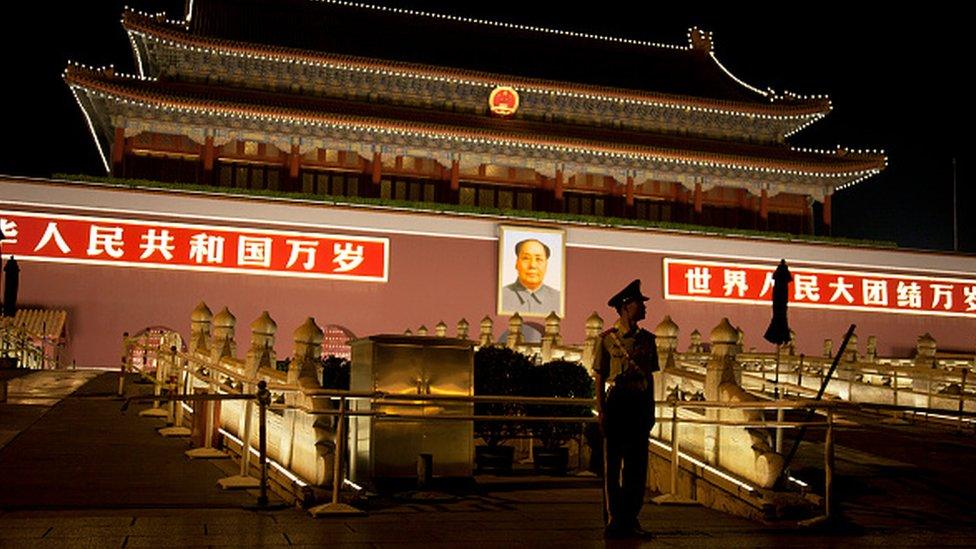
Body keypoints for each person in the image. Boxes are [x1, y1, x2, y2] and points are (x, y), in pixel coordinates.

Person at [593, 279, 659, 539]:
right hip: (617, 403)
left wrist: (651, 409)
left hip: (639, 404)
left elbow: (651, 378)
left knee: (636, 466)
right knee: (612, 466)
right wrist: (602, 412)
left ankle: (631, 519)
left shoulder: (648, 340)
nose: (644, 308)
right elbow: (599, 378)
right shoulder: (608, 340)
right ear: (625, 306)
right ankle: (613, 519)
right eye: (639, 303)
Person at [500, 238, 560, 315]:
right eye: (526, 258)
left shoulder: (559, 299)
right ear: (516, 263)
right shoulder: (501, 296)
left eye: (538, 259)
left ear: (546, 265)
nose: (532, 265)